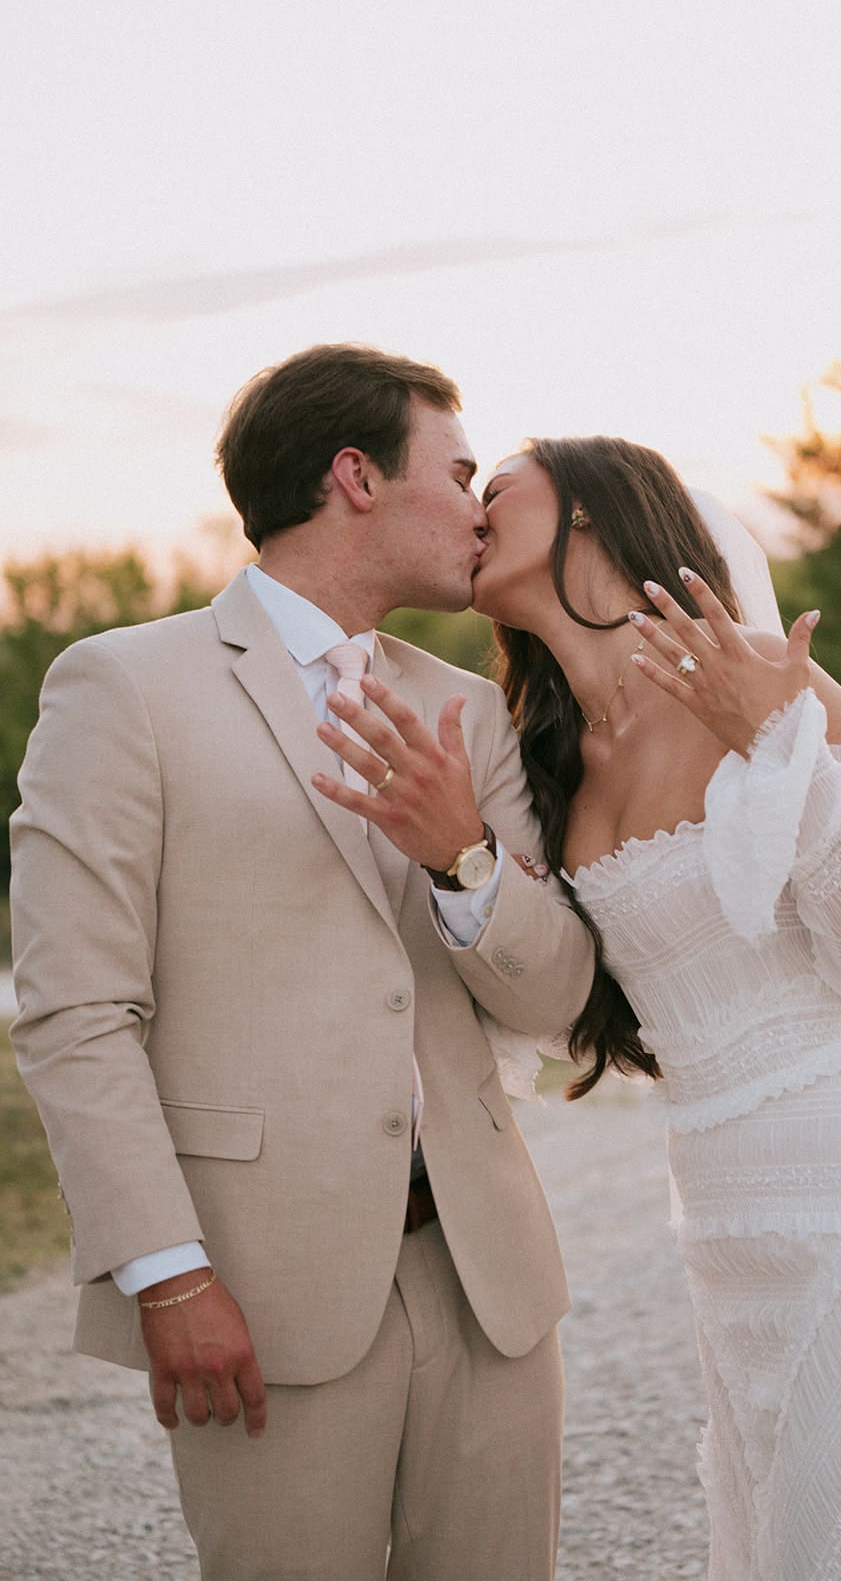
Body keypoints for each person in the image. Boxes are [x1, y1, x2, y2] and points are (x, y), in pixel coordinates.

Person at [347, 433, 841, 1579]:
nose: (476, 512)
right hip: (734, 1233)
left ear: (588, 518)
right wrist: (458, 860)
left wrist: (778, 742)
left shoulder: (769, 678)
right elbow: (564, 1001)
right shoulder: (546, 760)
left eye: (500, 490)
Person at [8, 346, 596, 1581]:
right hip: (259, 1290)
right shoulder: (122, 687)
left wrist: (465, 862)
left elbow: (551, 996)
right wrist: (168, 1276)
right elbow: (76, 1012)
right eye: (460, 470)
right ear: (355, 478)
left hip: (488, 1286)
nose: (482, 507)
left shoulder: (469, 712)